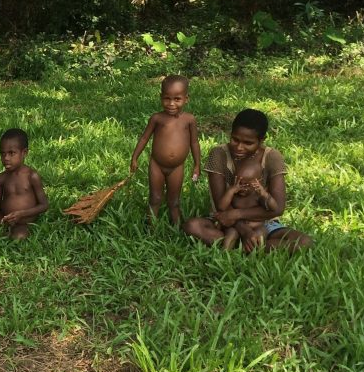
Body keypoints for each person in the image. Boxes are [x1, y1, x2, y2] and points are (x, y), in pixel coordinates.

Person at [182, 109, 313, 253]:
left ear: (261, 140)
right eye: (235, 139)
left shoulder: (272, 157)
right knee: (192, 226)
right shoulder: (219, 154)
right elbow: (221, 206)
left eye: (248, 143)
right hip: (226, 222)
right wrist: (244, 230)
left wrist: (238, 215)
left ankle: (242, 245)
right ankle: (254, 246)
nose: (239, 147)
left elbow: (278, 208)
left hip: (262, 223)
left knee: (304, 242)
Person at [129, 75, 201, 224]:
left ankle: (177, 229)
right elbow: (144, 138)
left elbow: (194, 143)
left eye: (177, 99)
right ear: (161, 97)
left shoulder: (189, 120)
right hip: (157, 165)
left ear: (186, 98)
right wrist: (134, 157)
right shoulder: (157, 118)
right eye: (166, 99)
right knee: (155, 198)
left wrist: (197, 164)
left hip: (177, 167)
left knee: (174, 201)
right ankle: (151, 229)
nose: (171, 104)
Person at [212, 152, 267, 250]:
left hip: (256, 226)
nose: (242, 188)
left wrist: (265, 194)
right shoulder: (234, 194)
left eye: (247, 185)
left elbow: (273, 208)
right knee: (231, 233)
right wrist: (231, 190)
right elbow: (221, 207)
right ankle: (225, 254)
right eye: (239, 183)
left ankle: (254, 255)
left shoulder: (258, 196)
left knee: (260, 234)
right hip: (236, 226)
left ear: (258, 182)